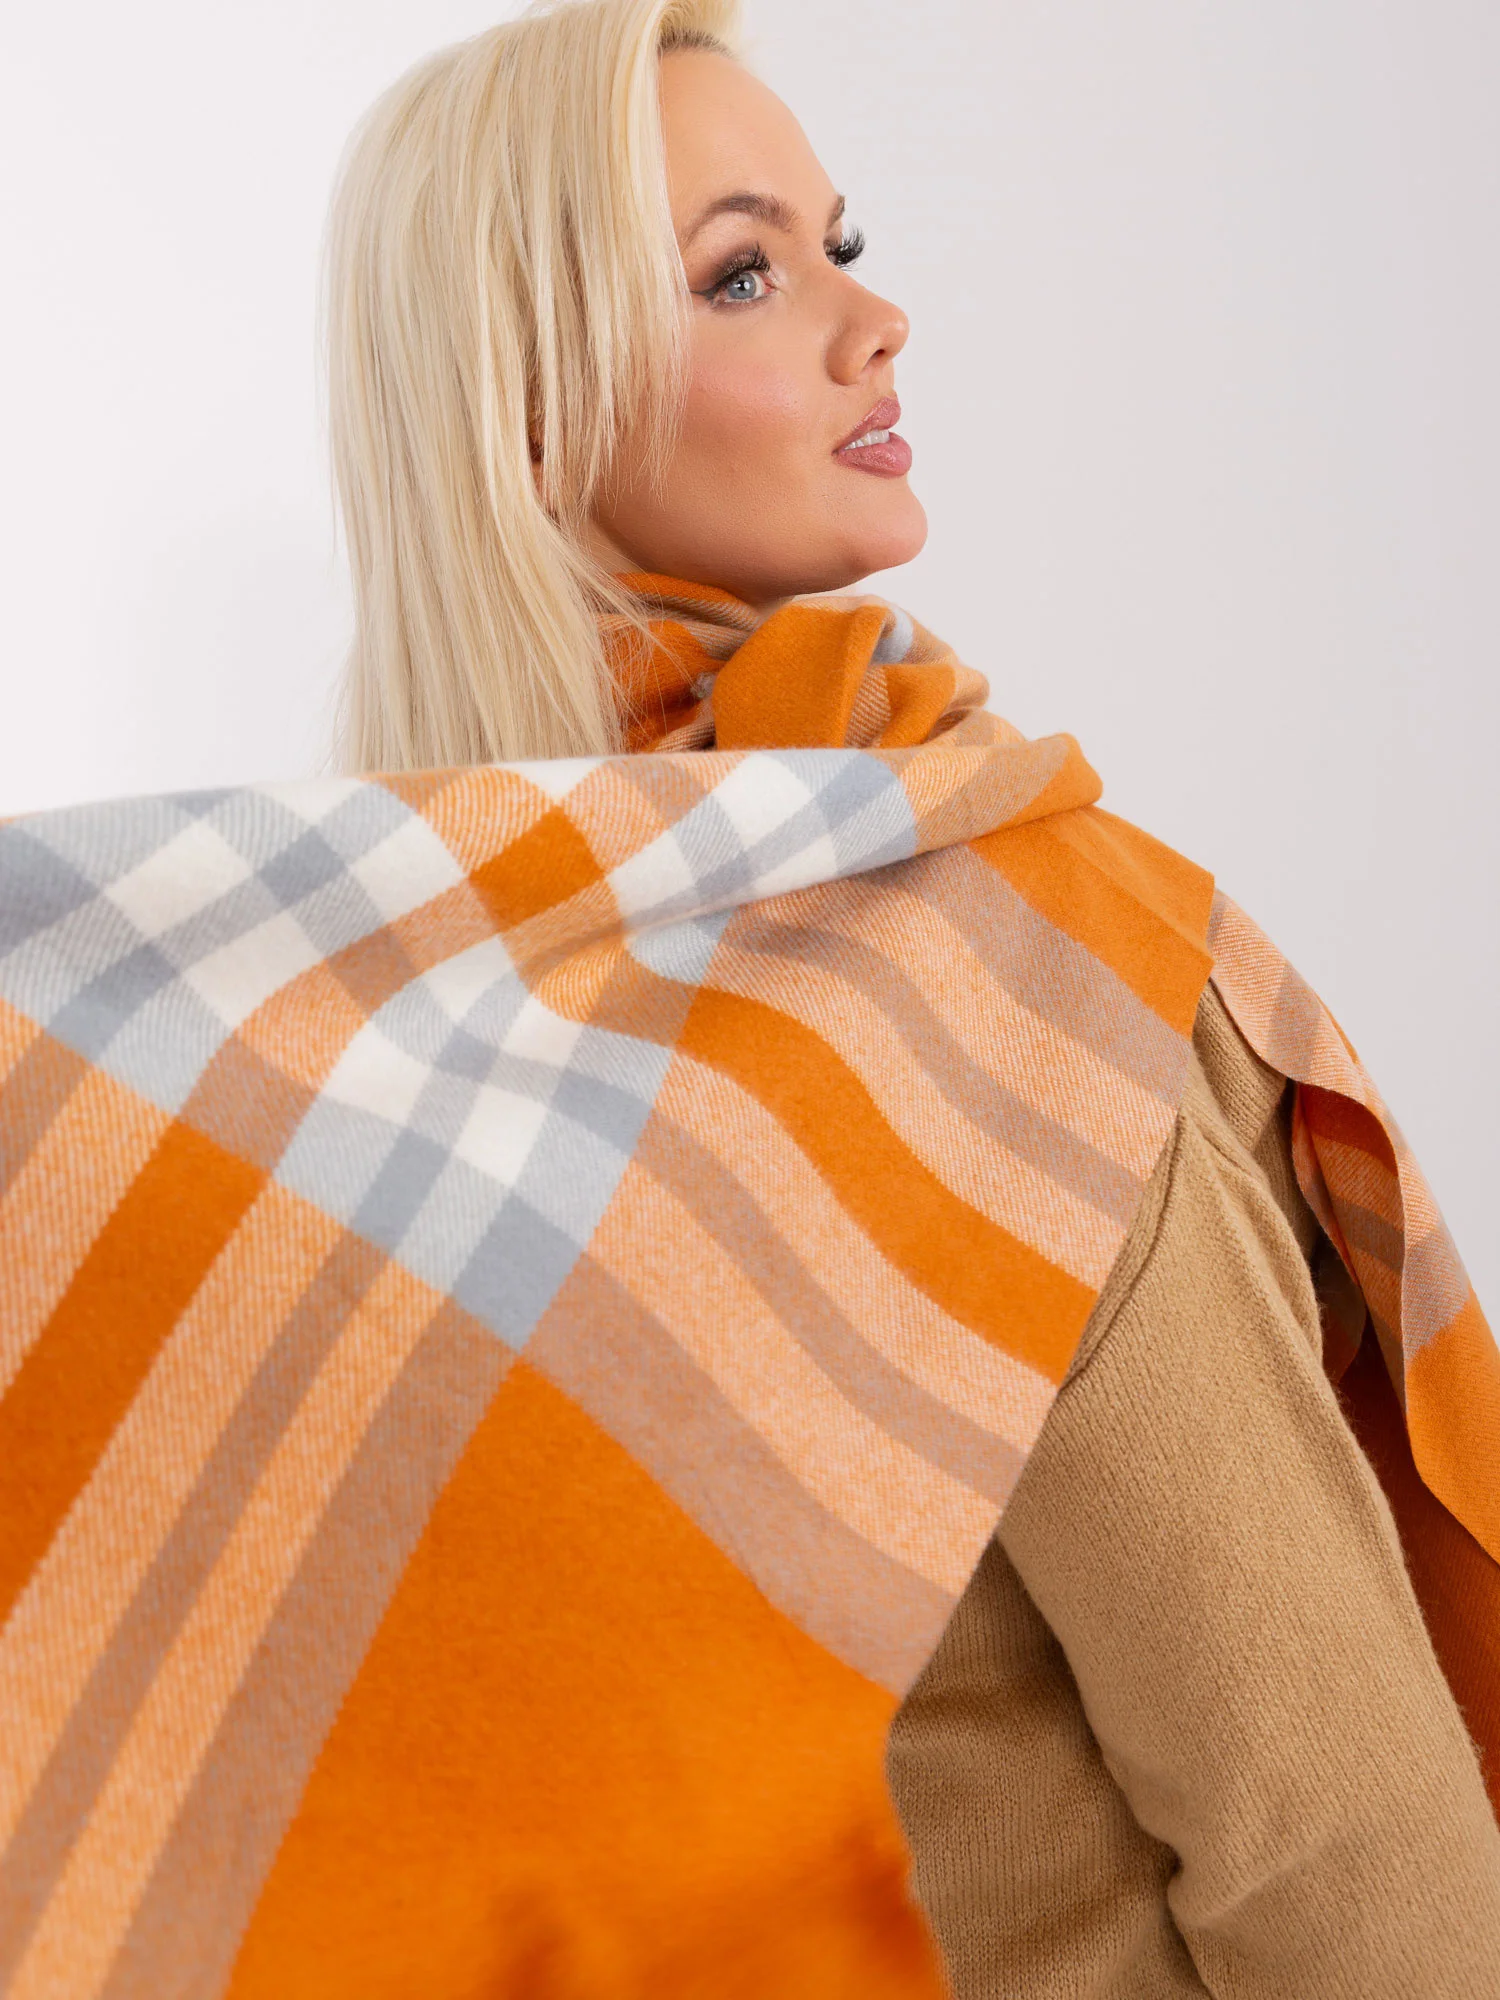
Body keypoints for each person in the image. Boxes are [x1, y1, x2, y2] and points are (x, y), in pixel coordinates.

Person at [0, 3, 1495, 1996]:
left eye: (839, 245)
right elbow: (1336, 1828)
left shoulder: (381, 1051)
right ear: (535, 412)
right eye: (742, 274)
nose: (877, 325)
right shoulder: (1018, 968)